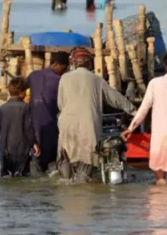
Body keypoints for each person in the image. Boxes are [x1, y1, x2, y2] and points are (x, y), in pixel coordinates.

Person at [56, 48, 137, 182]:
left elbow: (60, 104)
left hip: (66, 125)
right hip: (88, 126)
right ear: (89, 64)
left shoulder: (64, 78)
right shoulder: (96, 79)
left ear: (74, 63)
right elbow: (115, 98)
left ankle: (67, 185)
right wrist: (134, 110)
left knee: (66, 157)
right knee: (86, 163)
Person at [122, 51, 167, 185]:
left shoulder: (155, 83)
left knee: (160, 176)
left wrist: (130, 128)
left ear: (165, 66)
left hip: (161, 134)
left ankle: (161, 197)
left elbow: (144, 108)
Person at [27, 52, 70, 173]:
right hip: (50, 123)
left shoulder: (33, 75)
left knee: (36, 155)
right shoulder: (60, 81)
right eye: (64, 67)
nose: (65, 70)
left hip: (33, 123)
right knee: (50, 158)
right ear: (56, 64)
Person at [0, 77, 40, 177]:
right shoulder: (25, 107)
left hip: (5, 147)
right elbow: (28, 128)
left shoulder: (2, 108)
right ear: (21, 92)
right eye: (25, 91)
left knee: (6, 175)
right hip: (21, 147)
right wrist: (34, 143)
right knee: (22, 174)